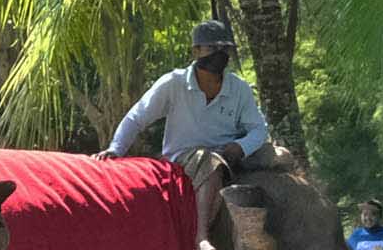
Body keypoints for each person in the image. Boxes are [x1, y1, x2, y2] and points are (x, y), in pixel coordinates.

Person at [105, 20, 274, 169]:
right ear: (196, 51)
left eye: (225, 49)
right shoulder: (173, 83)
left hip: (227, 155)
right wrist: (116, 149)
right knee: (210, 163)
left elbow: (258, 128)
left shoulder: (239, 88)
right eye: (212, 48)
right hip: (184, 158)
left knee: (281, 156)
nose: (219, 54)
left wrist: (241, 146)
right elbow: (136, 117)